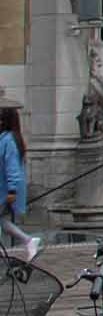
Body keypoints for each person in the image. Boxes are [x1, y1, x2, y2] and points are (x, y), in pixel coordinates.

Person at [0, 108, 38, 259]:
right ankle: (28, 240)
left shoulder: (9, 141)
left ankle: (27, 240)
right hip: (5, 187)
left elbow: (12, 167)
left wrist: (12, 191)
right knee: (2, 221)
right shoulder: (6, 139)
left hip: (5, 189)